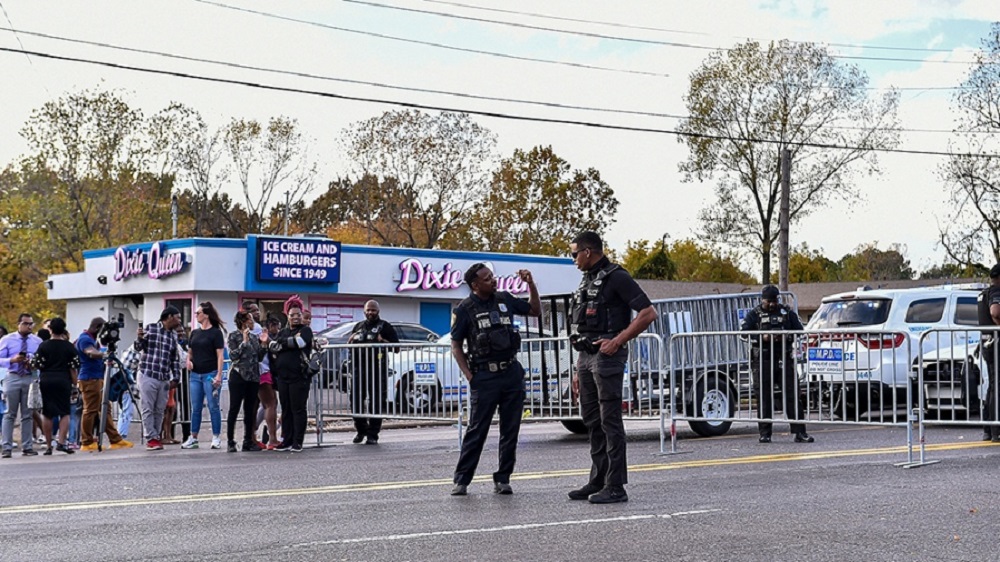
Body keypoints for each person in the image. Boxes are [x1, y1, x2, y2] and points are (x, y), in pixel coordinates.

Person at [567, 231, 656, 504]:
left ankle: (616, 486)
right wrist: (577, 369)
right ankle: (598, 480)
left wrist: (617, 341)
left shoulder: (617, 276)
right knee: (592, 421)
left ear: (588, 252)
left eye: (574, 254)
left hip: (607, 357)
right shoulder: (587, 279)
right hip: (586, 356)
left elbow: (648, 313)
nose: (573, 260)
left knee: (610, 421)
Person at [450, 263, 540, 496]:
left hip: (510, 373)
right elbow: (456, 345)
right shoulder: (464, 309)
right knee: (477, 430)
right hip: (484, 376)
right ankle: (462, 480)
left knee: (510, 430)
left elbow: (534, 310)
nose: (493, 280)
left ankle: (503, 478)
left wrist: (531, 285)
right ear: (475, 285)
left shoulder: (504, 299)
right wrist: (469, 376)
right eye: (487, 278)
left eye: (492, 276)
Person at [741, 284, 812, 444]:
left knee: (792, 395)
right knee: (764, 397)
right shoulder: (755, 314)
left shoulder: (786, 313)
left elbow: (799, 330)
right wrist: (763, 337)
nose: (772, 304)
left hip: (784, 358)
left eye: (775, 301)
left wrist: (785, 335)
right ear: (762, 300)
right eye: (769, 301)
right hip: (763, 360)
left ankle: (800, 432)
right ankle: (765, 434)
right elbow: (743, 333)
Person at [75, 317, 133, 452]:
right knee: (90, 410)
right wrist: (104, 354)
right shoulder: (85, 339)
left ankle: (115, 439)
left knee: (105, 409)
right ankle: (86, 441)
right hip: (90, 379)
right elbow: (90, 352)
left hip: (96, 378)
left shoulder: (91, 339)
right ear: (97, 327)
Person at [348, 300, 400, 445]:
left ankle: (373, 434)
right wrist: (350, 340)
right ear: (364, 311)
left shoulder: (385, 326)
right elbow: (350, 344)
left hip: (377, 370)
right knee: (356, 401)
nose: (371, 312)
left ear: (378, 311)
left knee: (376, 403)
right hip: (359, 369)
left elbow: (397, 348)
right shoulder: (358, 326)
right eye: (368, 310)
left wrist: (382, 341)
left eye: (373, 310)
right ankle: (361, 430)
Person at [267, 296, 314, 453]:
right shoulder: (284, 331)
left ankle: (297, 442)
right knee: (286, 409)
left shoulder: (306, 330)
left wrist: (284, 343)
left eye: (298, 314)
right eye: (292, 314)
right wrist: (287, 342)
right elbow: (274, 347)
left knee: (298, 409)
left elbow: (299, 343)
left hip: (299, 376)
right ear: (287, 315)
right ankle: (286, 440)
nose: (295, 317)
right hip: (283, 377)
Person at [134, 306, 183, 451]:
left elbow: (174, 358)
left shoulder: (173, 335)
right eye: (178, 317)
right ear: (169, 317)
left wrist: (176, 377)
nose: (180, 321)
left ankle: (156, 436)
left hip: (164, 377)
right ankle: (151, 438)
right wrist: (139, 338)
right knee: (148, 408)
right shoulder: (151, 328)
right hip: (148, 374)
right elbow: (139, 347)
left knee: (160, 409)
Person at [181, 301, 226, 450]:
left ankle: (216, 437)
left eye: (198, 313)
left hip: (210, 373)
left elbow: (220, 355)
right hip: (195, 374)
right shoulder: (194, 333)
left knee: (213, 406)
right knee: (196, 407)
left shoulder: (216, 333)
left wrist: (219, 375)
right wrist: (188, 361)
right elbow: (190, 352)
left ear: (206, 315)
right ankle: (193, 437)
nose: (196, 315)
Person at [30, 318, 79, 455]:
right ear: (64, 330)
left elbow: (36, 364)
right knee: (65, 412)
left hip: (46, 379)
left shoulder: (44, 346)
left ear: (50, 329)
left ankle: (48, 445)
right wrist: (75, 385)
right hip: (63, 380)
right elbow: (73, 368)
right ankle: (61, 442)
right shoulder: (69, 347)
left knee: (47, 413)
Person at [1, 313, 43, 458]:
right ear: (19, 324)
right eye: (26, 324)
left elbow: (42, 359)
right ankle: (6, 447)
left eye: (31, 324)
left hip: (29, 376)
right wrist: (12, 360)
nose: (29, 326)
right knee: (9, 413)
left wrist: (32, 362)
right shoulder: (7, 339)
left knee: (28, 414)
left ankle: (27, 446)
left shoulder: (37, 341)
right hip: (12, 376)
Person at [226, 310, 266, 452]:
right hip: (238, 376)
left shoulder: (254, 337)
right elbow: (233, 356)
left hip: (253, 377)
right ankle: (230, 441)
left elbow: (259, 357)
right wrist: (244, 342)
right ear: (243, 322)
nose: (253, 321)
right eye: (250, 319)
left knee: (250, 410)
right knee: (234, 408)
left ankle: (248, 440)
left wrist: (264, 344)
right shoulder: (233, 336)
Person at [978, 264, 1000, 442]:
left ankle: (988, 428)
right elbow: (995, 312)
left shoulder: (983, 293)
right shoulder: (996, 291)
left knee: (993, 386)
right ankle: (996, 430)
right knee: (997, 386)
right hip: (996, 344)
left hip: (988, 343)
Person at [255, 315, 281, 449]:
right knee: (270, 404)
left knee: (268, 404)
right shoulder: (260, 334)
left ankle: (256, 434)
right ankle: (272, 438)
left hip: (262, 372)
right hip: (263, 372)